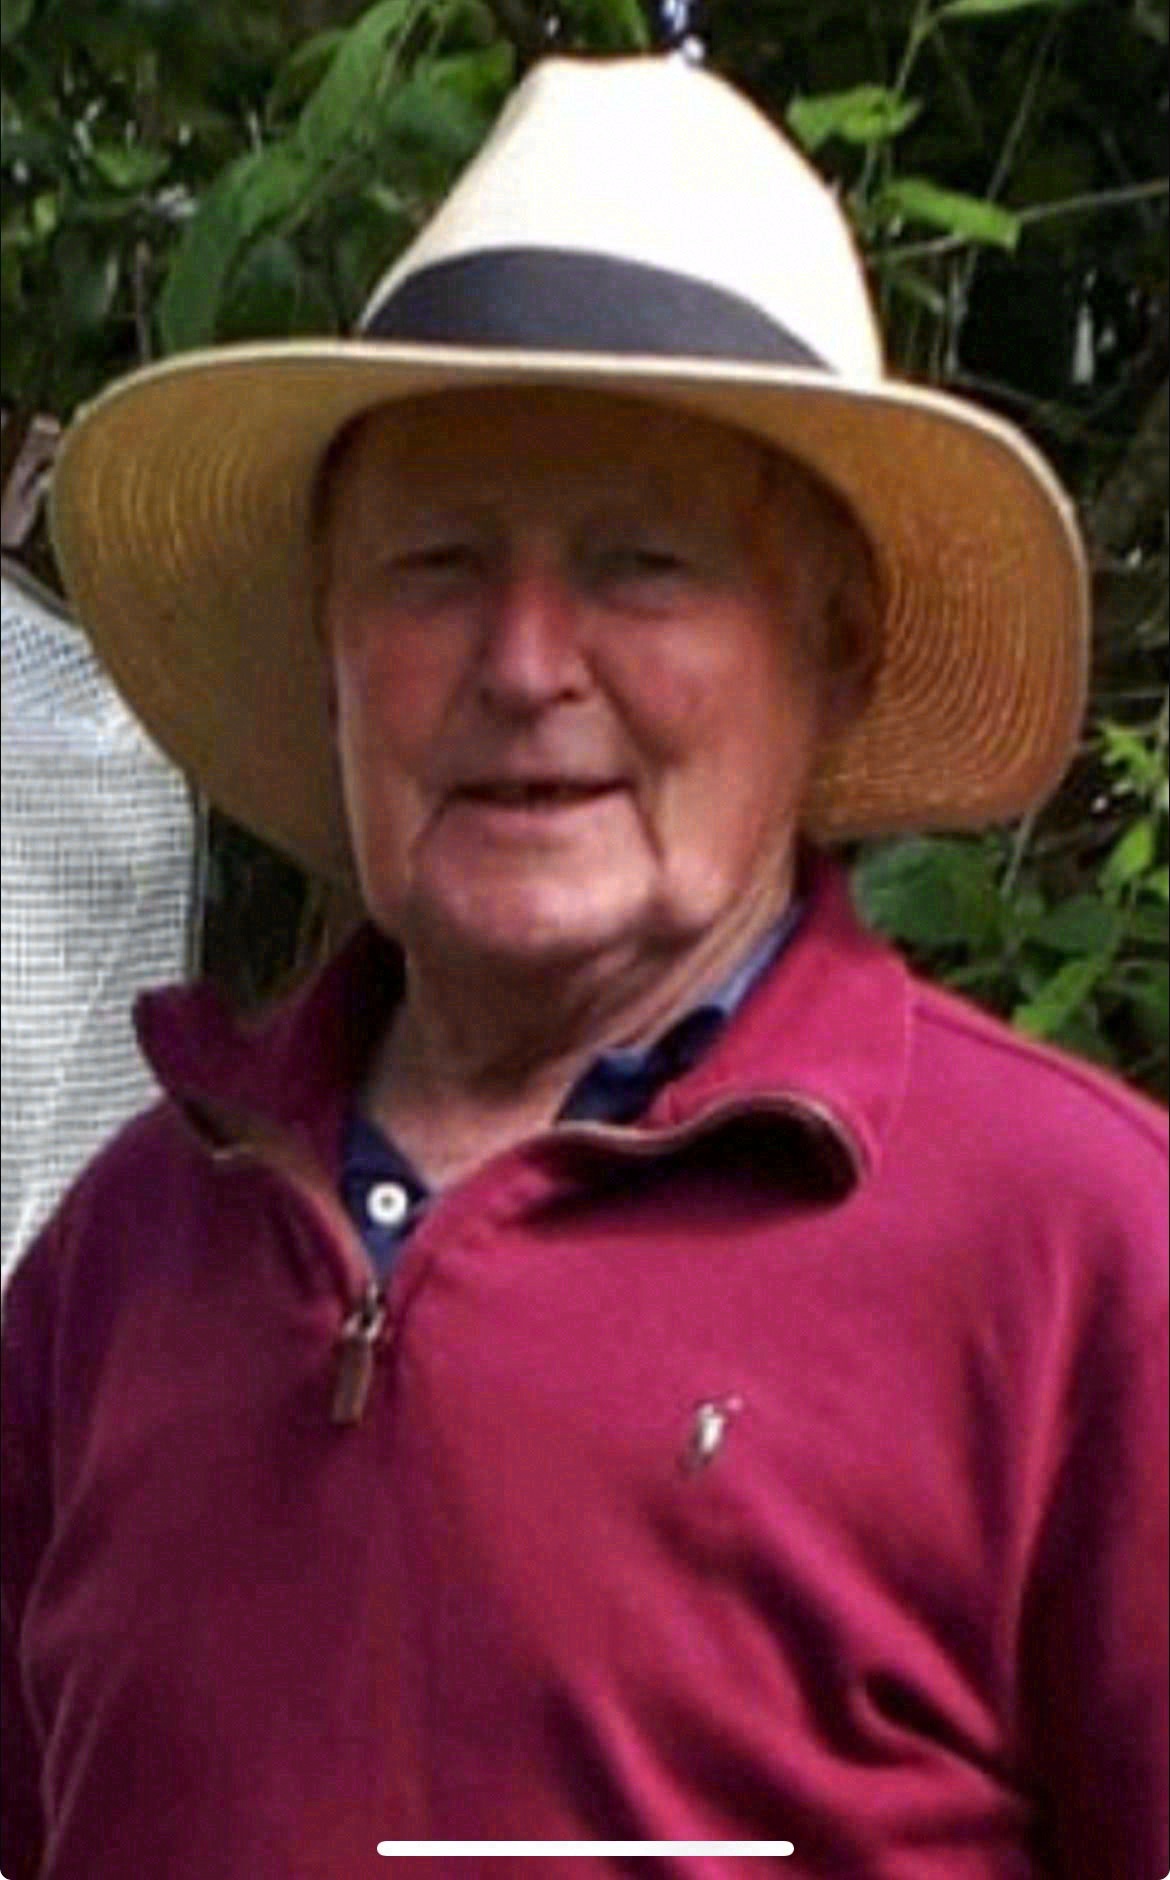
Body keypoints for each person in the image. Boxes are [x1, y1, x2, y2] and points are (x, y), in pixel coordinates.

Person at [2, 54, 1166, 1880]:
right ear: (328, 641)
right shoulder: (126, 1261)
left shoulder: (1081, 1260)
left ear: (835, 649)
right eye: (436, 565)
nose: (525, 662)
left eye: (639, 565)